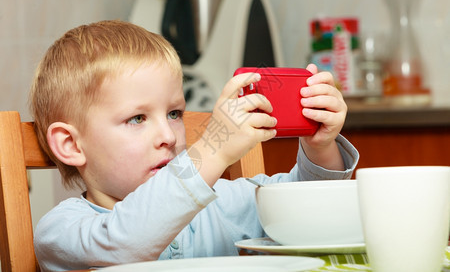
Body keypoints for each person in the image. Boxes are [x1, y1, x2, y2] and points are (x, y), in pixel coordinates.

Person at [30, 20, 359, 271]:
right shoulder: (62, 230)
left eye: (174, 113)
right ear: (71, 144)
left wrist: (320, 147)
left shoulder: (219, 203)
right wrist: (213, 149)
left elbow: (301, 212)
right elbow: (127, 242)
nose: (169, 136)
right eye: (137, 119)